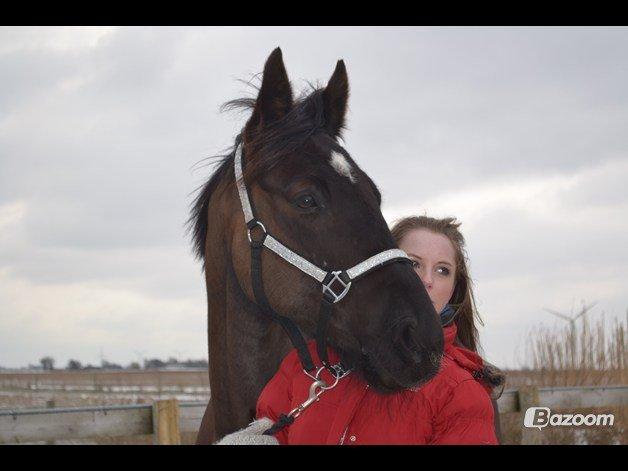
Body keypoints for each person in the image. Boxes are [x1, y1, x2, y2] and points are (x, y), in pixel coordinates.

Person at [216, 215, 504, 445]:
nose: (427, 280)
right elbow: (274, 430)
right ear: (380, 270)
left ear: (454, 289)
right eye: (413, 263)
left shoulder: (459, 393)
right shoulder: (310, 363)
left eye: (443, 270)